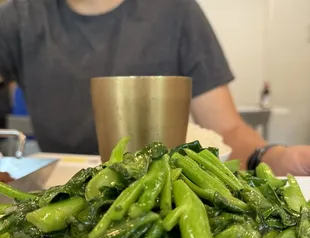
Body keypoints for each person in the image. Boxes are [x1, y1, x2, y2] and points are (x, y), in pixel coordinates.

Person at [0, 0, 309, 176]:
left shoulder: (176, 12)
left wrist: (272, 158)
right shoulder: (19, 17)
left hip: (161, 192)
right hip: (60, 190)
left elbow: (227, 128)